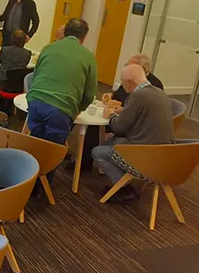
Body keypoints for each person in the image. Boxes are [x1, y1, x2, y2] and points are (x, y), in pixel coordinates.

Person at [26, 18, 97, 182]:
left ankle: (28, 179)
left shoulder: (48, 48)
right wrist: (77, 109)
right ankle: (43, 184)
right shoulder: (88, 57)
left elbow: (36, 76)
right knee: (53, 149)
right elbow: (89, 94)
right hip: (61, 107)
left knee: (35, 142)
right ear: (84, 37)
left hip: (36, 100)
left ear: (65, 32)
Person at [92, 65, 175, 203]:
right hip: (164, 151)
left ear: (130, 81)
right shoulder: (159, 92)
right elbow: (141, 115)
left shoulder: (138, 96)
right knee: (110, 143)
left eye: (122, 82)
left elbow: (118, 127)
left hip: (144, 153)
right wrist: (123, 111)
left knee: (98, 152)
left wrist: (111, 115)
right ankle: (123, 178)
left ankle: (124, 188)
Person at [77, 53, 166, 169]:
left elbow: (120, 125)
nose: (126, 67)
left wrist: (112, 114)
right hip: (158, 144)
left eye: (129, 65)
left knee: (97, 150)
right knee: (98, 131)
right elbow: (122, 97)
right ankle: (85, 162)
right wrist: (112, 97)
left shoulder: (143, 91)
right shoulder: (148, 88)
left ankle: (122, 183)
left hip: (141, 139)